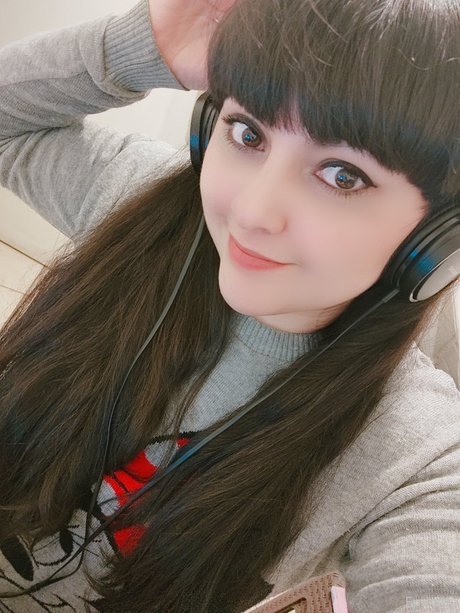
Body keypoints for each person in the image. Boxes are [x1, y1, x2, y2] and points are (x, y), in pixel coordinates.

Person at [0, 0, 459, 610]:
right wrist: (138, 48)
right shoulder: (146, 207)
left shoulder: (418, 454)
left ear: (437, 242)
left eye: (342, 176)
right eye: (248, 133)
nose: (250, 212)